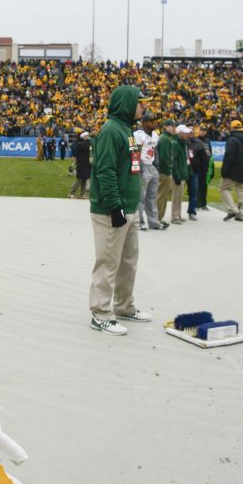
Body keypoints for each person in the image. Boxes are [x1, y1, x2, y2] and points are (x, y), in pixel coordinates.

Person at [87, 85, 151, 336]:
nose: (143, 107)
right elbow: (105, 171)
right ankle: (101, 314)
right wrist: (115, 206)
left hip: (130, 208)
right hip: (112, 210)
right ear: (126, 103)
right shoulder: (110, 131)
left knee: (128, 262)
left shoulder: (127, 130)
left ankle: (124, 306)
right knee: (108, 262)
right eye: (140, 102)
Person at [221, 119, 243, 221]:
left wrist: (224, 170)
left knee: (224, 188)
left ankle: (232, 209)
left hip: (233, 170)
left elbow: (229, 156)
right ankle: (242, 214)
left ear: (232, 128)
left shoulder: (232, 139)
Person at [133, 112, 162, 230]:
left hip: (151, 165)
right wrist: (137, 167)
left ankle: (153, 222)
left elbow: (155, 151)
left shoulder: (155, 135)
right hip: (142, 165)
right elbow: (135, 152)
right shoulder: (138, 135)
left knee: (152, 197)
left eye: (155, 121)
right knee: (140, 197)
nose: (154, 123)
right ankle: (139, 222)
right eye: (151, 121)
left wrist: (157, 166)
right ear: (144, 123)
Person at [155, 120, 179, 227]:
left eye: (173, 126)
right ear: (165, 127)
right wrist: (168, 170)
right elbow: (164, 157)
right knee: (161, 196)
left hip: (163, 171)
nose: (172, 128)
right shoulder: (164, 139)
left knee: (162, 195)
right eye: (170, 126)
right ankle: (158, 218)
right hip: (164, 171)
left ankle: (158, 217)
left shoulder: (166, 138)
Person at [186, 125, 210, 220]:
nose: (190, 132)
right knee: (177, 193)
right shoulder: (182, 142)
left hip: (194, 171)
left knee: (193, 192)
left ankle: (192, 211)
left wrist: (204, 171)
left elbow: (205, 159)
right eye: (189, 130)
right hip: (183, 170)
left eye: (192, 131)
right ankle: (176, 214)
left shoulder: (200, 143)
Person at [69, 130, 91, 198]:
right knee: (79, 179)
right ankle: (71, 193)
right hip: (81, 163)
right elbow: (85, 147)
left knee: (85, 178)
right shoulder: (80, 143)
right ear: (83, 136)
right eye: (86, 136)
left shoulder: (84, 142)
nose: (88, 137)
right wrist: (88, 141)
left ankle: (82, 194)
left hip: (86, 163)